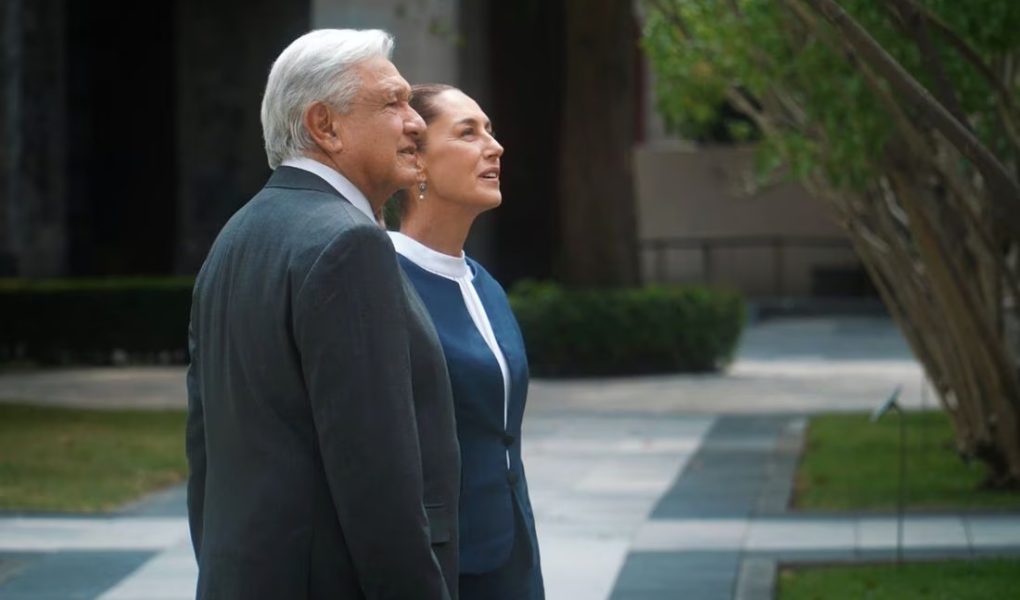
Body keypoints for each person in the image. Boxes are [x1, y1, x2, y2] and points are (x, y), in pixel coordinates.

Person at [186, 31, 460, 599]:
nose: (415, 122)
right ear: (324, 125)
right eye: (393, 102)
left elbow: (205, 454)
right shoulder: (349, 243)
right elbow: (377, 480)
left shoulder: (235, 236)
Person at [388, 84, 544, 599]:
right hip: (437, 564)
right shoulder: (381, 282)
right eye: (468, 133)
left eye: (490, 131)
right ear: (417, 161)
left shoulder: (485, 285)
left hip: (512, 553)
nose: (495, 147)